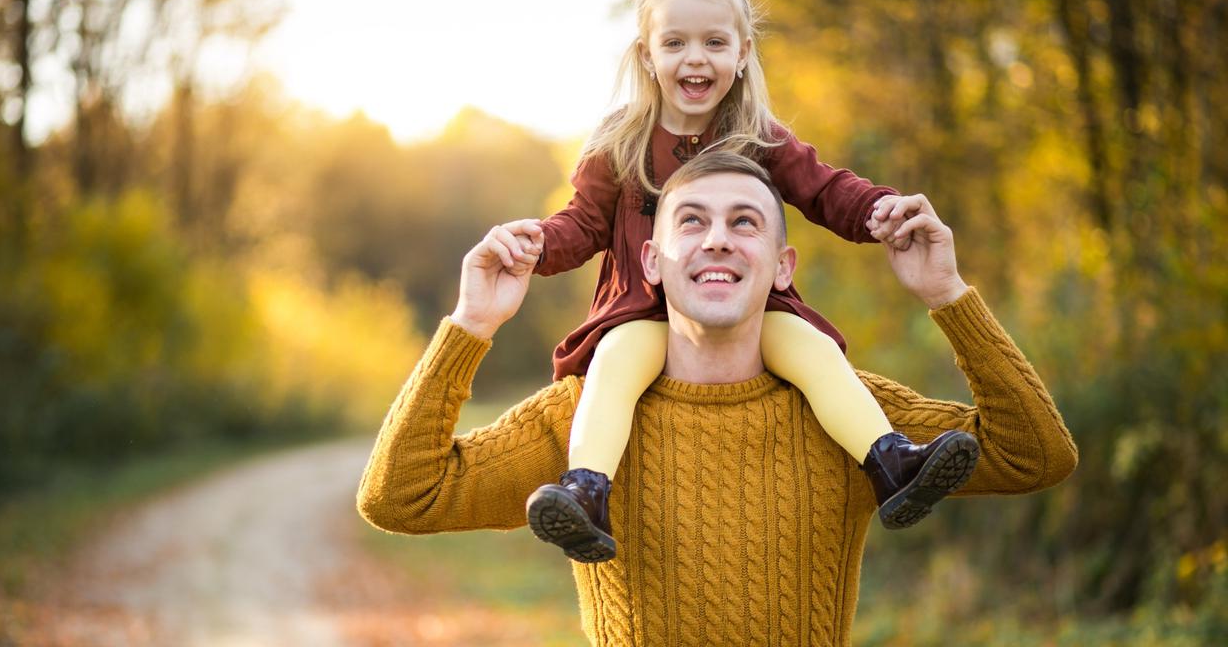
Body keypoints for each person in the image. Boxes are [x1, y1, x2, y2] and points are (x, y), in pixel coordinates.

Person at [356, 153, 1077, 647]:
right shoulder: (581, 423)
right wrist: (470, 325)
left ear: (782, 265)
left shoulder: (850, 414)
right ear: (652, 262)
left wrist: (947, 295)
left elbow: (1034, 456)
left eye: (745, 222)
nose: (718, 242)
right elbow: (401, 497)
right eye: (692, 221)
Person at [521, 0, 975, 563]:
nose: (696, 59)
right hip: (639, 310)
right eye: (675, 43)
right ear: (647, 55)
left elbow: (824, 189)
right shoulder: (620, 143)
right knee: (613, 364)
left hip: (747, 310)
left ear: (741, 53)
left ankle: (891, 462)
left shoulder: (759, 137)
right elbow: (580, 225)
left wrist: (883, 209)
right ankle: (587, 490)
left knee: (811, 349)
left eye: (714, 42)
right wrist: (536, 246)